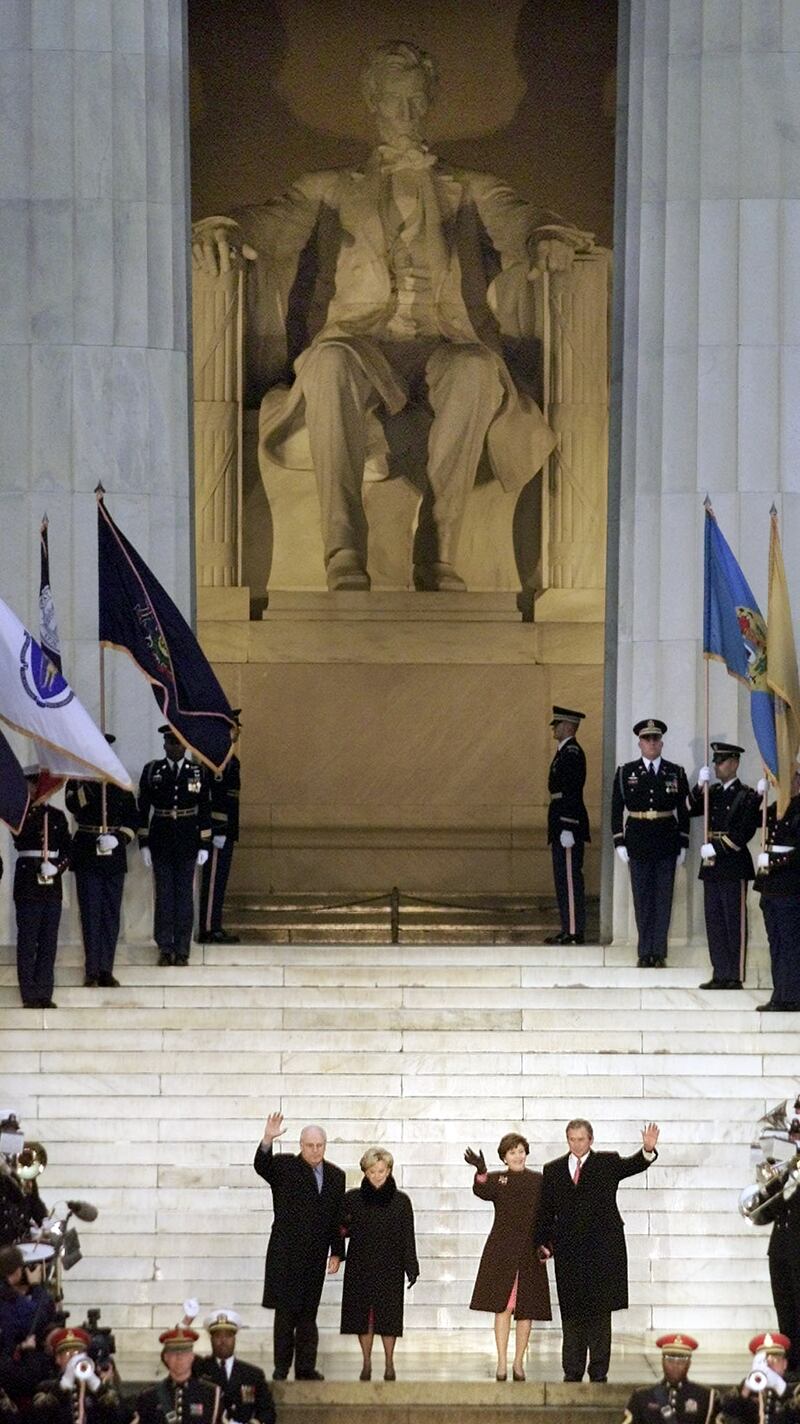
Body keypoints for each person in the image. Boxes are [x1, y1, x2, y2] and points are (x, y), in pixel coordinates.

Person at [193, 41, 590, 592]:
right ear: (372, 102)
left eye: (415, 100)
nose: (405, 112)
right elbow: (271, 223)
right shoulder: (328, 187)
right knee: (328, 364)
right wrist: (225, 228)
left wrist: (547, 236)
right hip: (360, 343)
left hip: (441, 341)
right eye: (394, 99)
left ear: (428, 104)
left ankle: (439, 547)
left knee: (478, 370)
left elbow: (519, 218)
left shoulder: (469, 187)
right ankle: (343, 549)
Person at [535, 1117, 659, 1383]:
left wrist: (647, 1150)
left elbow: (633, 1165)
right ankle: (572, 1370)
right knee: (571, 1313)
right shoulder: (553, 1169)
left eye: (581, 1139)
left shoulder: (607, 1162)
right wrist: (543, 1244)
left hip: (603, 1252)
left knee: (600, 1315)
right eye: (572, 1139)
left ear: (591, 1140)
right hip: (569, 1253)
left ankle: (599, 1372)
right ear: (567, 1140)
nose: (577, 1144)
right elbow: (546, 1211)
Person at [253, 1112, 345, 1382]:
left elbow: (337, 1218)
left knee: (308, 1315)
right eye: (310, 1145)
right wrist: (268, 1137)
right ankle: (281, 1368)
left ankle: (305, 1368)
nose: (315, 1150)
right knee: (285, 1315)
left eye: (319, 1146)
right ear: (301, 1145)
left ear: (324, 1146)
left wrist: (337, 1252)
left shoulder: (336, 1176)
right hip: (285, 1255)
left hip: (315, 1258)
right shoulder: (284, 1167)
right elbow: (262, 1166)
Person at [465, 1131, 551, 1382]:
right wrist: (481, 1170)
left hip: (530, 1252)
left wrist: (548, 1246)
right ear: (504, 1157)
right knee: (502, 1307)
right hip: (501, 1251)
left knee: (526, 1310)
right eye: (512, 1152)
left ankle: (518, 1363)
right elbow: (481, 1189)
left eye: (521, 1150)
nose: (518, 1155)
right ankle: (502, 1362)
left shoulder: (539, 1180)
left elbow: (548, 1216)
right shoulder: (498, 1179)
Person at [611, 719, 690, 966]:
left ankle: (659, 952)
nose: (652, 743)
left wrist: (684, 842)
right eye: (647, 739)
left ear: (662, 743)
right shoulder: (626, 772)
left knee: (663, 899)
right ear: (640, 743)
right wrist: (619, 841)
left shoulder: (675, 772)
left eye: (656, 739)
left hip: (666, 840)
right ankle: (645, 951)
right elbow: (615, 809)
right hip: (638, 841)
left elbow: (683, 810)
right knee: (642, 898)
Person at [687, 742, 762, 989]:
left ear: (734, 763)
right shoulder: (713, 792)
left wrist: (717, 848)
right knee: (715, 922)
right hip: (712, 866)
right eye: (716, 762)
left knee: (734, 921)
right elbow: (688, 809)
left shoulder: (747, 796)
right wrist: (699, 787)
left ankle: (736, 975)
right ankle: (720, 972)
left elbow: (745, 831)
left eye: (721, 762)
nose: (717, 767)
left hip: (732, 863)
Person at [339, 1147, 418, 1382]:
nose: (377, 1175)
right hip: (360, 1264)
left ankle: (390, 1362)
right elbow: (341, 1229)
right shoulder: (352, 1199)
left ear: (389, 1170)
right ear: (365, 1171)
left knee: (389, 1317)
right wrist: (342, 1233)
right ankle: (366, 1362)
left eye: (381, 1170)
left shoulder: (401, 1201)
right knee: (364, 1317)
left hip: (390, 1265)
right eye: (372, 1171)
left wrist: (411, 1265)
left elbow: (408, 1235)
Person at [65, 738, 139, 987]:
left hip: (113, 854)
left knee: (110, 915)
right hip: (87, 849)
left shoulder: (121, 781)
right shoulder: (78, 779)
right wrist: (85, 779)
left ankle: (106, 968)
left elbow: (133, 819)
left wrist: (118, 839)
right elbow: (73, 805)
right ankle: (92, 969)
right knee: (90, 914)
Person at [138, 727, 212, 966]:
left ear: (186, 746)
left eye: (178, 743)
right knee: (164, 896)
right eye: (170, 742)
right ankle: (165, 947)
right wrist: (144, 843)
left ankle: (182, 948)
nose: (175, 747)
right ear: (164, 745)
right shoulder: (152, 771)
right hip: (161, 840)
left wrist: (204, 843)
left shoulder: (198, 772)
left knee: (184, 897)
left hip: (187, 840)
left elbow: (205, 809)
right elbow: (143, 809)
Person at [12, 771, 70, 1009]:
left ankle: (45, 991)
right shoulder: (20, 814)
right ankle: (29, 992)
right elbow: (19, 838)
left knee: (48, 939)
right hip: (28, 880)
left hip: (51, 883)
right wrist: (32, 810)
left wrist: (56, 868)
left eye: (38, 784)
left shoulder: (57, 816)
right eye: (32, 784)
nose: (35, 788)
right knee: (28, 939)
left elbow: (68, 849)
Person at [754, 1103, 800, 1376]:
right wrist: (771, 1186)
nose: (794, 1136)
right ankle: (791, 1364)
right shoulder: (785, 1167)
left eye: (797, 1131)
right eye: (793, 1131)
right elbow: (767, 1212)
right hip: (780, 1249)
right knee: (785, 1309)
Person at [753, 767, 800, 1013]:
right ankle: (780, 993)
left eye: (789, 780)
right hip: (771, 887)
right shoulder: (777, 809)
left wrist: (773, 861)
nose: (782, 785)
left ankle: (792, 996)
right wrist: (758, 795)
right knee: (777, 943)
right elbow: (751, 820)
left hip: (790, 886)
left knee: (790, 944)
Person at [544, 706, 590, 946]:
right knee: (562, 877)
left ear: (569, 727)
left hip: (567, 822)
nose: (555, 728)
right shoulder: (564, 752)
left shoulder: (572, 753)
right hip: (559, 819)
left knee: (570, 878)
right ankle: (567, 927)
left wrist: (568, 826)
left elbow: (572, 790)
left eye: (558, 724)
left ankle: (573, 930)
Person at [197, 716, 241, 945]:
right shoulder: (217, 759)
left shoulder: (230, 759)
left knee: (220, 880)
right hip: (218, 832)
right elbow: (214, 797)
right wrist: (219, 829)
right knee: (213, 881)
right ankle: (208, 928)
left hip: (227, 830)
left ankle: (215, 924)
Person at [195, 1309, 275, 1424]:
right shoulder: (200, 1369)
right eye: (218, 1336)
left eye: (228, 1336)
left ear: (234, 1339)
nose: (223, 1341)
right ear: (211, 1339)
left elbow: (267, 1411)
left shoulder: (253, 1374)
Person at [31, 1326, 121, 1424]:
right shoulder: (46, 1386)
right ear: (58, 1359)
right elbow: (39, 1412)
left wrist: (96, 1384)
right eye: (68, 1354)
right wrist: (62, 1386)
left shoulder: (98, 1386)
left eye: (78, 1353)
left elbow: (116, 1411)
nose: (73, 1357)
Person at [622, 1334, 716, 1423]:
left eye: (681, 1361)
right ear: (662, 1362)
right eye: (670, 1360)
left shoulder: (706, 1397)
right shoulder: (642, 1397)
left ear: (689, 1364)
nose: (675, 1365)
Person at [134, 1328, 221, 1424]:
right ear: (166, 1357)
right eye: (174, 1353)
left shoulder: (211, 1394)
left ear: (192, 1357)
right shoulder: (149, 1396)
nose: (179, 1358)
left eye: (184, 1353)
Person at [717, 1332, 800, 1422]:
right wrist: (745, 1391)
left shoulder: (795, 1386)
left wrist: (780, 1386)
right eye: (764, 1361)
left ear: (785, 1364)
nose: (769, 1365)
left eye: (775, 1360)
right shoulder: (747, 1387)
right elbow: (726, 1410)